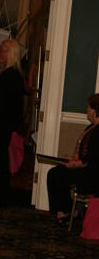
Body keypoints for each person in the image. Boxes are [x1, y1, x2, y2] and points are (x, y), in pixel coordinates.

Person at [47, 93, 99, 223]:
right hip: (84, 169)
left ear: (95, 110)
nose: (86, 110)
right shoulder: (90, 128)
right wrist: (70, 161)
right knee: (56, 172)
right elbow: (82, 153)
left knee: (57, 173)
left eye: (88, 107)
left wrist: (74, 164)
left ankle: (68, 211)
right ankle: (67, 210)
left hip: (92, 175)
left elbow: (91, 159)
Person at [0, 39, 24, 207]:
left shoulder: (10, 75)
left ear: (10, 54)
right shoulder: (11, 74)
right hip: (3, 124)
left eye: (1, 51)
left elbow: (2, 105)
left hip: (0, 125)